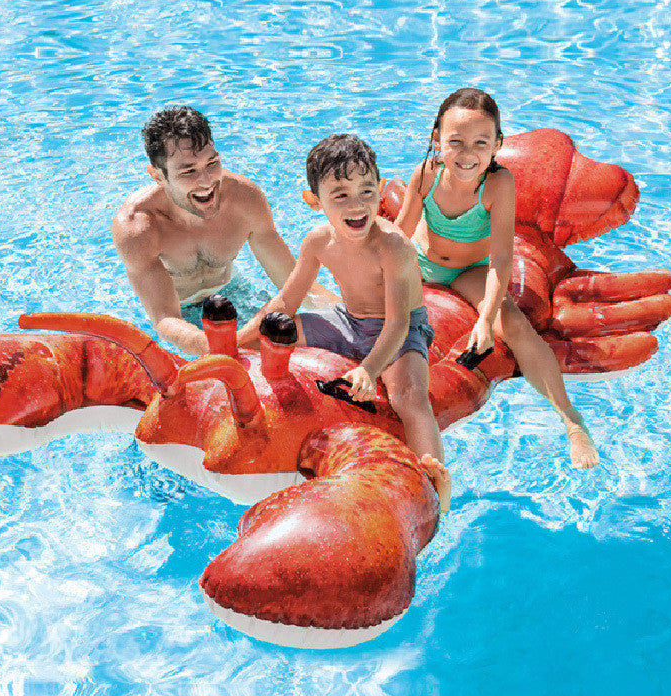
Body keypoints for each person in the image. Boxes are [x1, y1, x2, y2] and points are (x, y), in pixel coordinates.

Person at [239, 134, 451, 513]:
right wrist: (238, 343)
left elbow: (399, 321)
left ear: (381, 189)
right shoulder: (317, 241)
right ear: (313, 201)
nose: (357, 205)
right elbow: (286, 302)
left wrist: (370, 370)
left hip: (400, 329)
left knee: (410, 397)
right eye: (340, 195)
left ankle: (433, 484)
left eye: (367, 191)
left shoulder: (393, 245)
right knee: (276, 333)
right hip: (347, 321)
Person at [395, 87, 599, 469]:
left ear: (497, 144)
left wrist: (487, 320)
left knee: (518, 329)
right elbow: (400, 234)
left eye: (480, 142)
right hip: (421, 266)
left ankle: (572, 422)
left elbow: (502, 257)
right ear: (436, 139)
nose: (467, 153)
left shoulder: (498, 185)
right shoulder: (425, 176)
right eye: (455, 141)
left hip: (469, 271)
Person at [113, 106, 337, 355]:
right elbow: (165, 318)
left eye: (212, 163)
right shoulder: (138, 227)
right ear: (157, 176)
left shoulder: (244, 199)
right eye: (188, 171)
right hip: (181, 320)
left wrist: (346, 314)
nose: (207, 182)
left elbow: (292, 283)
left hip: (233, 293)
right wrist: (222, 348)